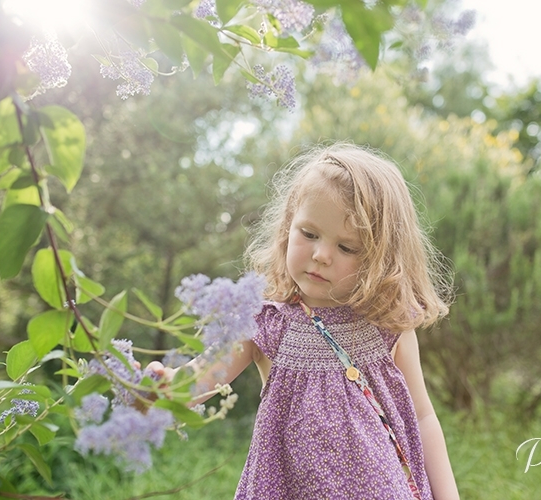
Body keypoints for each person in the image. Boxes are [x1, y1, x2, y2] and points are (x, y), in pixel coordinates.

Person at [149, 143, 460, 499]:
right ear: (287, 228)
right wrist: (166, 386)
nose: (321, 255)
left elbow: (422, 418)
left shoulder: (387, 325)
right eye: (309, 234)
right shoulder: (267, 323)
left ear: (381, 256)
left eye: (347, 247)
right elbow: (204, 376)